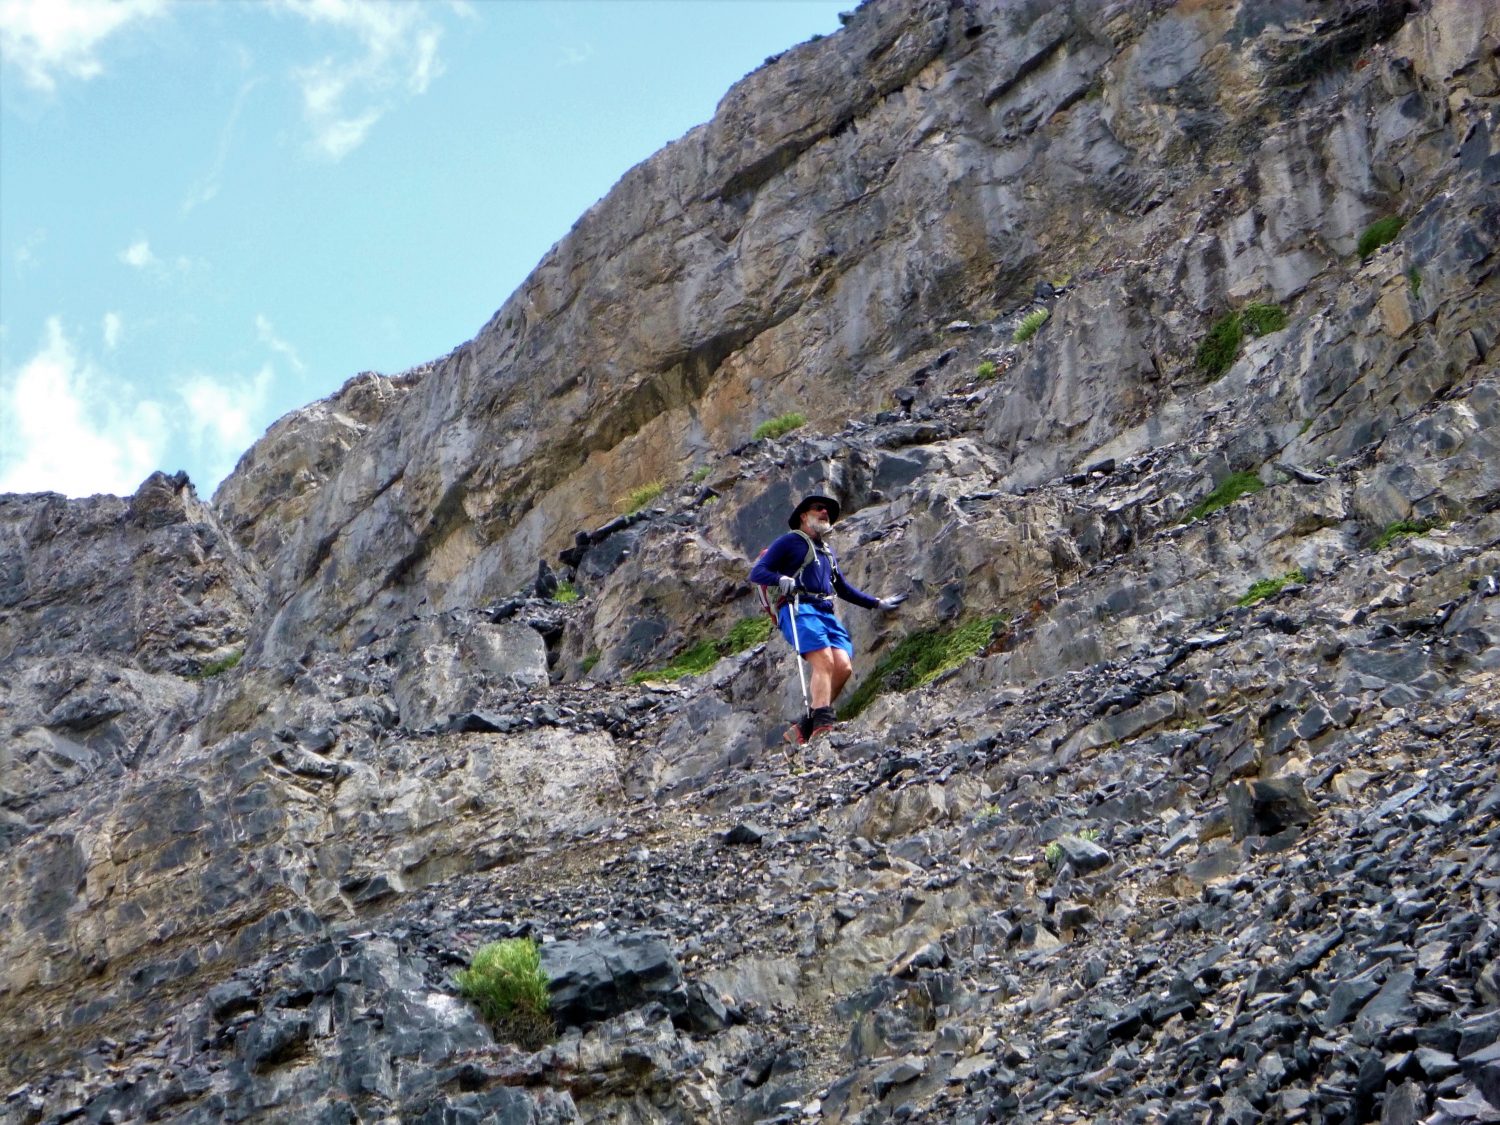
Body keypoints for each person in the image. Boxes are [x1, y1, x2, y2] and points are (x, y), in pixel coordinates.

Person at [749, 494, 906, 744]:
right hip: (798, 609)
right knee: (823, 660)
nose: (825, 513)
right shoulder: (790, 541)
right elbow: (757, 571)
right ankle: (822, 726)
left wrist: (876, 603)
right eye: (818, 509)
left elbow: (842, 588)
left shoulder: (826, 551)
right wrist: (780, 580)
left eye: (828, 511)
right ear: (803, 515)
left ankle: (805, 727)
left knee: (843, 667)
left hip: (824, 611)